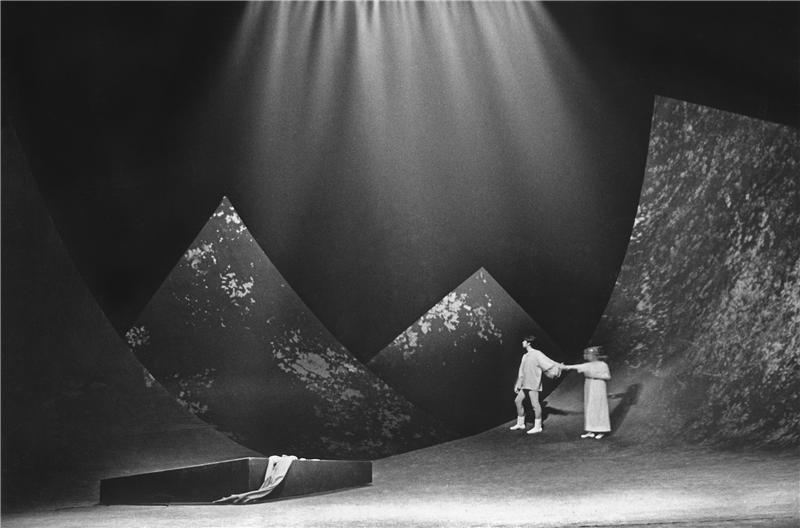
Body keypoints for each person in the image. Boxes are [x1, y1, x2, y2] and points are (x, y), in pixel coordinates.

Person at [509, 335, 561, 434]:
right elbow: (521, 371)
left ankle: (538, 426)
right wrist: (518, 384)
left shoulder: (537, 353)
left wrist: (558, 367)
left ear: (529, 343)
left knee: (535, 404)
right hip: (525, 383)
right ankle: (521, 423)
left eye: (524, 341)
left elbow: (548, 363)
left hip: (533, 383)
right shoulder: (525, 356)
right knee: (518, 401)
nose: (522, 343)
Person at [562, 345, 611, 439]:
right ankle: (590, 430)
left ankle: (601, 430)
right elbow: (576, 366)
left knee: (599, 407)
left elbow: (607, 376)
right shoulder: (588, 365)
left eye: (588, 354)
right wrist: (564, 367)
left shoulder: (603, 365)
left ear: (594, 355)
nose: (586, 356)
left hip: (599, 386)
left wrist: (594, 375)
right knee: (589, 407)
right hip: (589, 386)